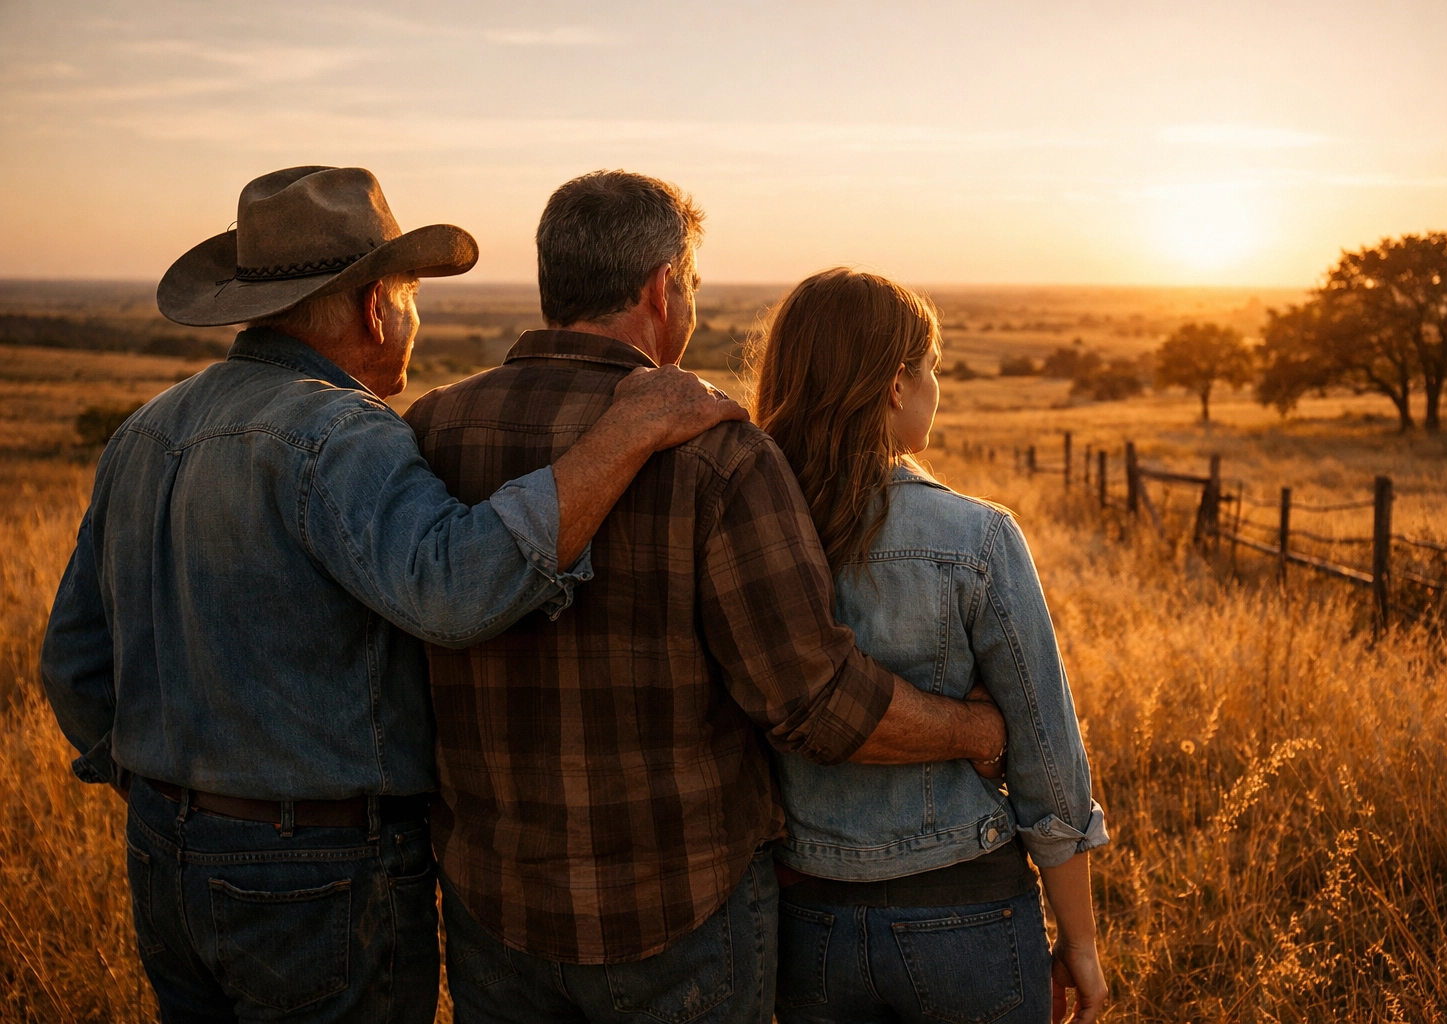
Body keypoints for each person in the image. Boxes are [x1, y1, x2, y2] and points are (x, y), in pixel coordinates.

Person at [39, 165, 746, 1023]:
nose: (414, 314)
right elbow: (454, 594)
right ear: (378, 307)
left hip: (160, 854)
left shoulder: (145, 430)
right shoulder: (341, 434)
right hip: (319, 870)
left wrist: (173, 793)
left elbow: (73, 662)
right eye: (411, 294)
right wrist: (623, 434)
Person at [403, 170, 1006, 1024]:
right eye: (688, 283)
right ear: (662, 289)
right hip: (680, 917)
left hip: (494, 909)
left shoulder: (433, 429)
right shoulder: (717, 454)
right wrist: (976, 728)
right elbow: (814, 701)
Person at [752, 269, 1110, 1024]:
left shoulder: (743, 532)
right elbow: (1049, 764)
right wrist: (1079, 940)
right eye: (933, 367)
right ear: (894, 385)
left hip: (806, 920)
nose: (937, 387)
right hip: (967, 909)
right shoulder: (975, 538)